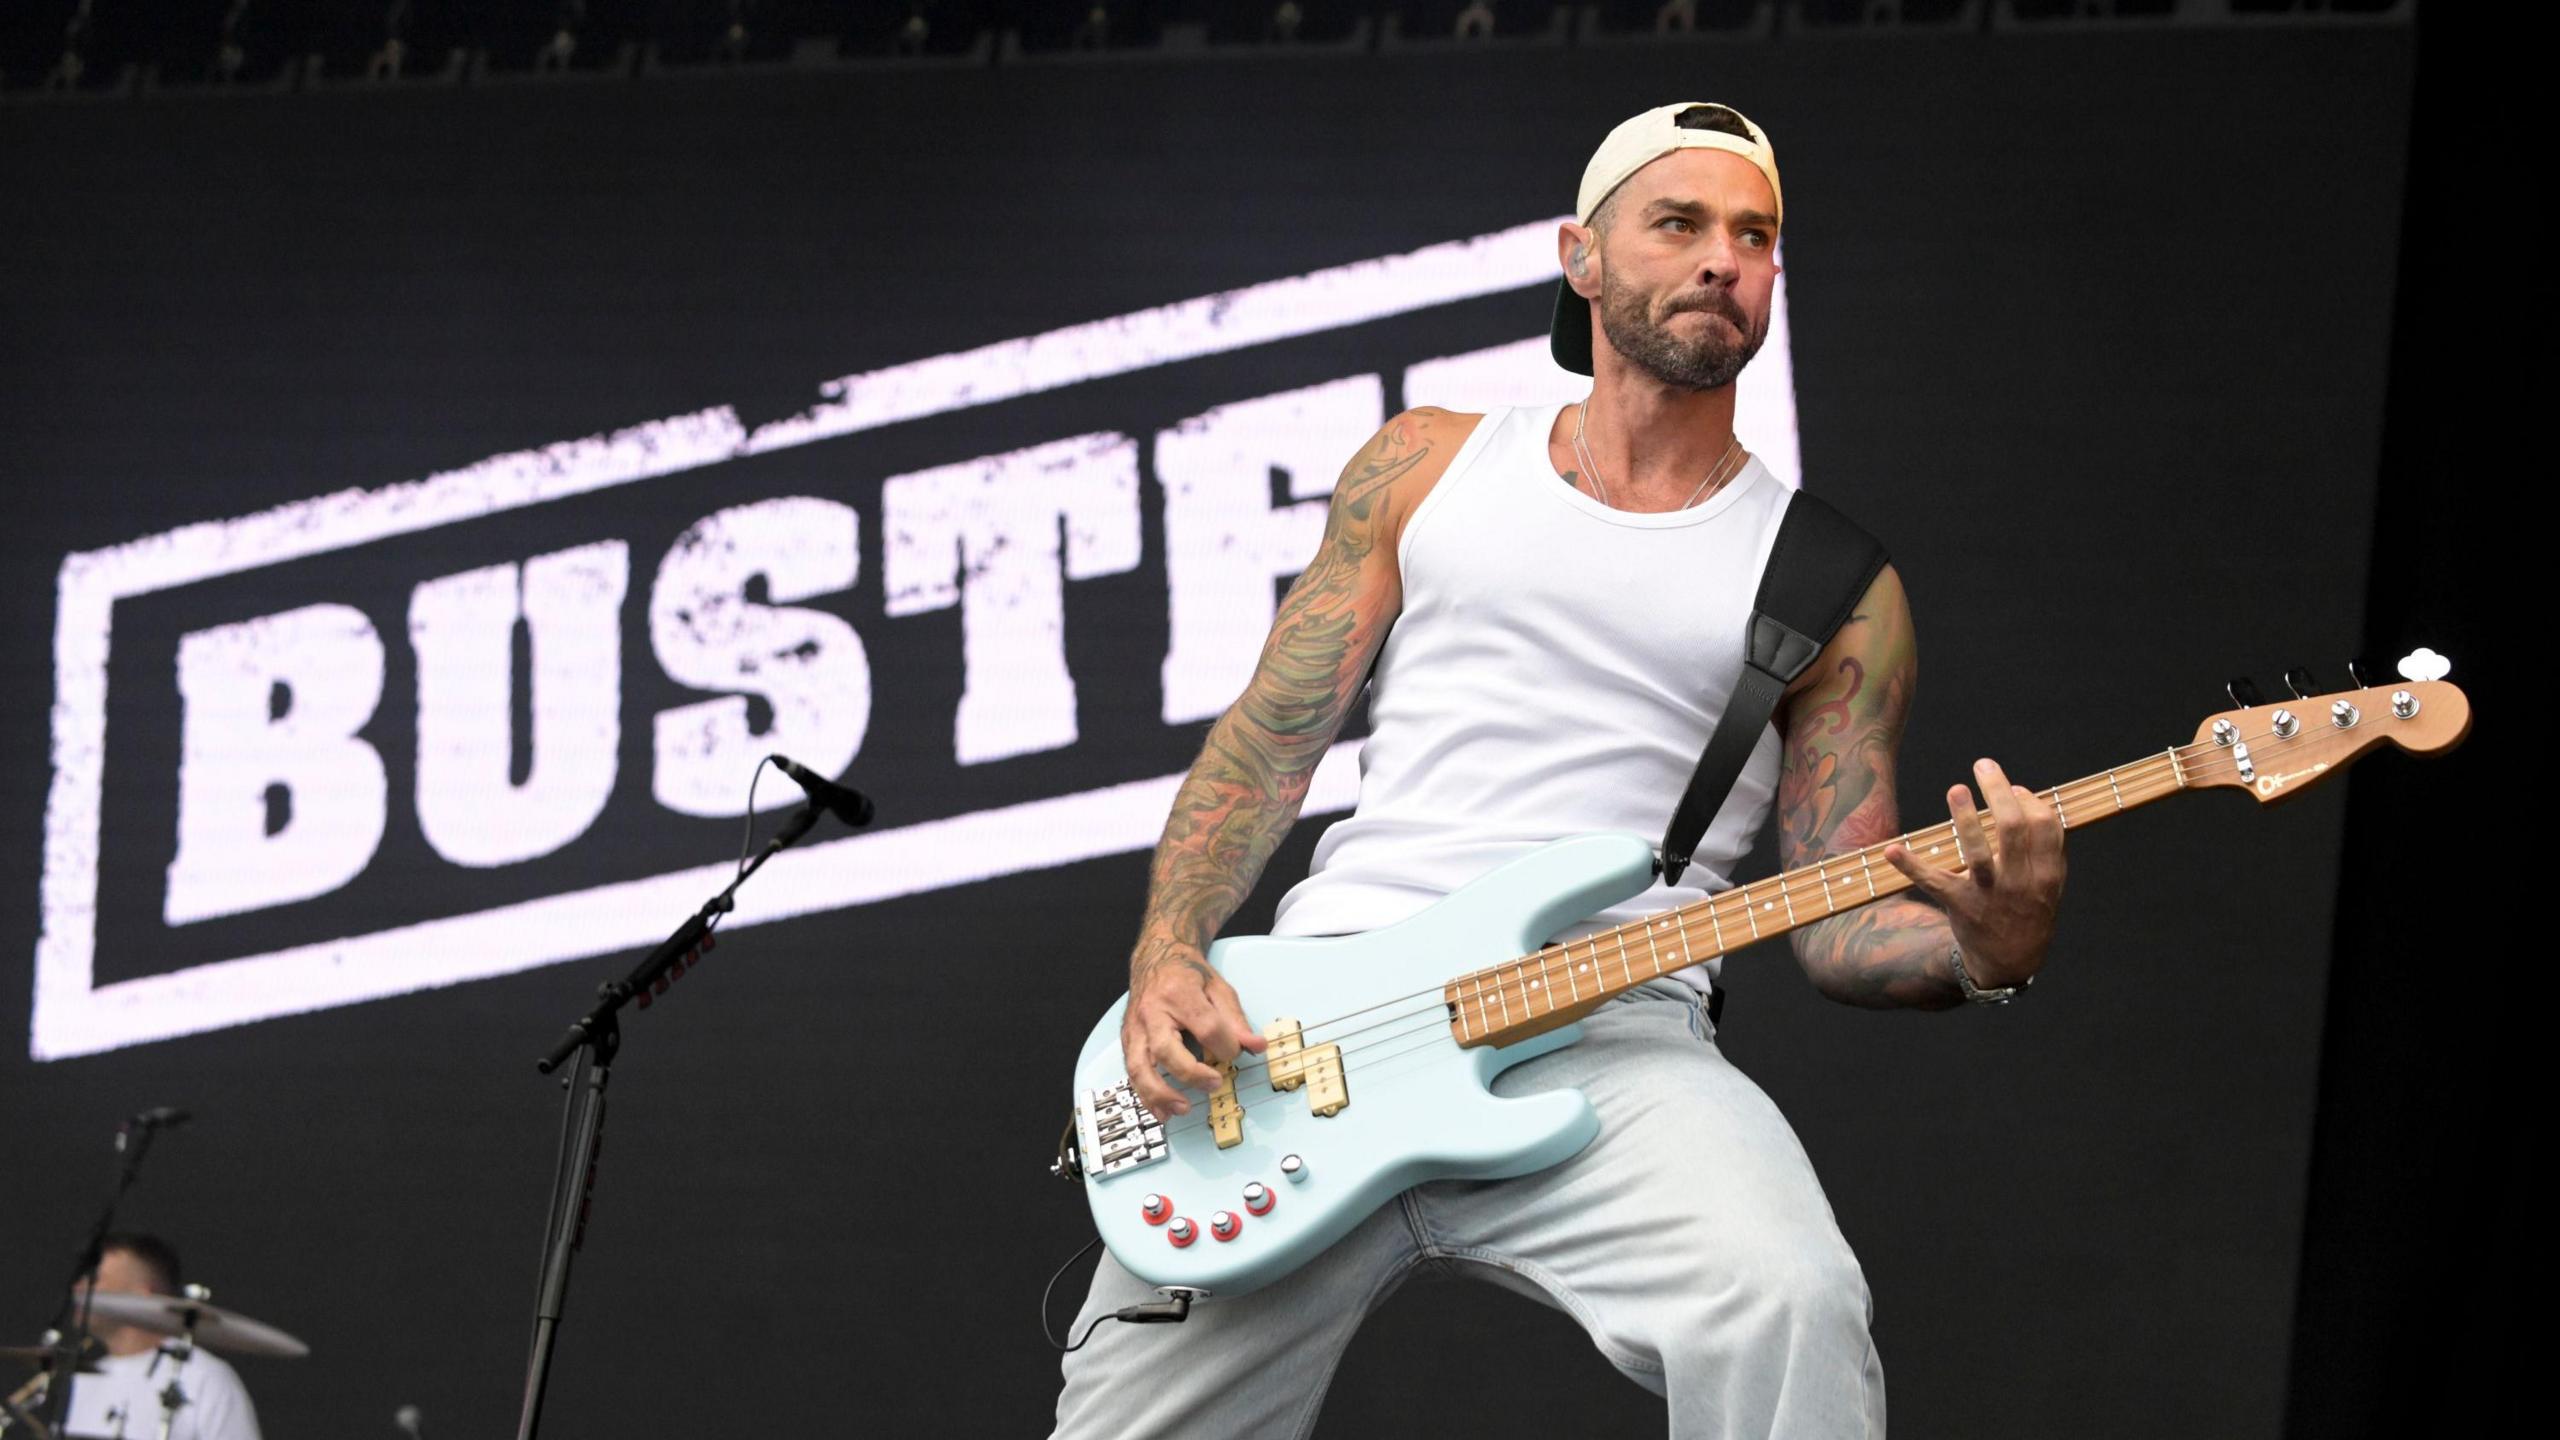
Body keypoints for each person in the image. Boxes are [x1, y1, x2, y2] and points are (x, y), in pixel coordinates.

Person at [1050, 102, 2067, 1438]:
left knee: (1790, 1302)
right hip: (1310, 1031)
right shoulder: (1425, 464)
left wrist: (1992, 946)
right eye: (1681, 223)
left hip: (1615, 1035)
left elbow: (1842, 927)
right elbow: (1265, 742)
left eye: (1754, 235)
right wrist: (1169, 951)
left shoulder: (1835, 586)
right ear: (1582, 257)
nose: (1723, 258)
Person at [59, 1234, 261, 1440]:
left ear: (139, 1296)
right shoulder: (81, 1380)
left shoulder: (205, 1378)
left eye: (94, 1279)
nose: (78, 1288)